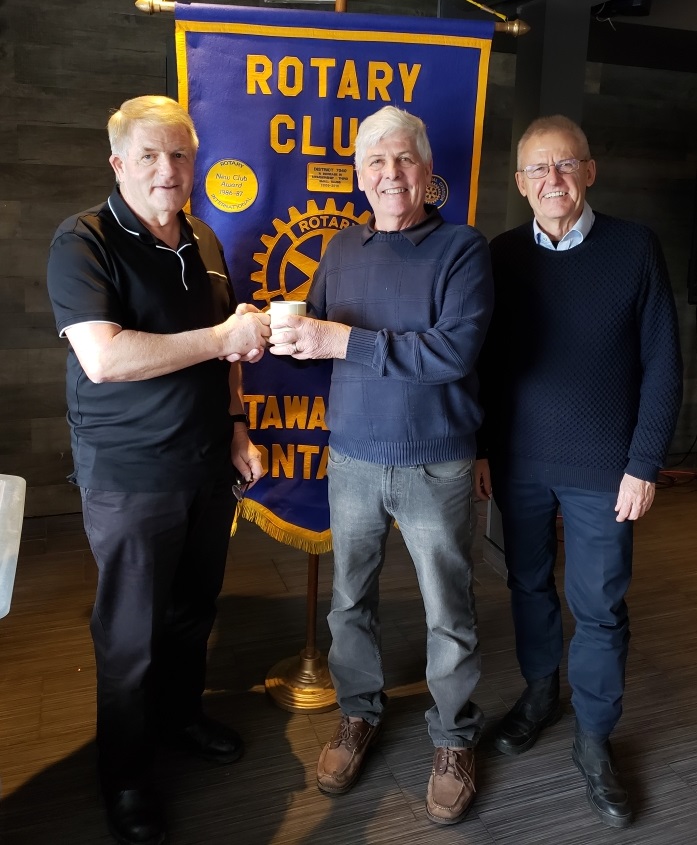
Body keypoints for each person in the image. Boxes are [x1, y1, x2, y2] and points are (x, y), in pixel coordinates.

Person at [47, 95, 270, 845]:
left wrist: (237, 426)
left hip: (207, 461)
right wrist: (222, 338)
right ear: (118, 163)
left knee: (192, 610)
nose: (166, 170)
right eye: (149, 155)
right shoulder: (82, 240)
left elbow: (228, 346)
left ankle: (180, 718)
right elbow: (105, 358)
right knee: (130, 632)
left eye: (179, 155)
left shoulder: (203, 237)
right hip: (130, 472)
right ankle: (126, 776)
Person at [268, 105, 494, 825]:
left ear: (427, 171)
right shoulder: (340, 249)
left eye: (403, 159)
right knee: (348, 602)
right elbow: (317, 339)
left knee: (448, 613)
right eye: (376, 161)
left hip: (436, 464)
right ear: (359, 176)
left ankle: (454, 737)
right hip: (353, 460)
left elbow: (452, 353)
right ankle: (358, 712)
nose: (390, 173)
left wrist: (341, 340)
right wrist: (277, 338)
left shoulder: (462, 248)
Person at [476, 115, 683, 829]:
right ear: (520, 183)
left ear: (589, 171)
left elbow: (663, 363)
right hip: (518, 459)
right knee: (527, 582)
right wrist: (482, 447)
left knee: (599, 606)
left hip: (605, 467)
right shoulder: (502, 255)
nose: (553, 180)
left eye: (565, 165)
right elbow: (486, 362)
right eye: (538, 169)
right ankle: (540, 693)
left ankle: (594, 737)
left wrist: (643, 463)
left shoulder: (634, 247)